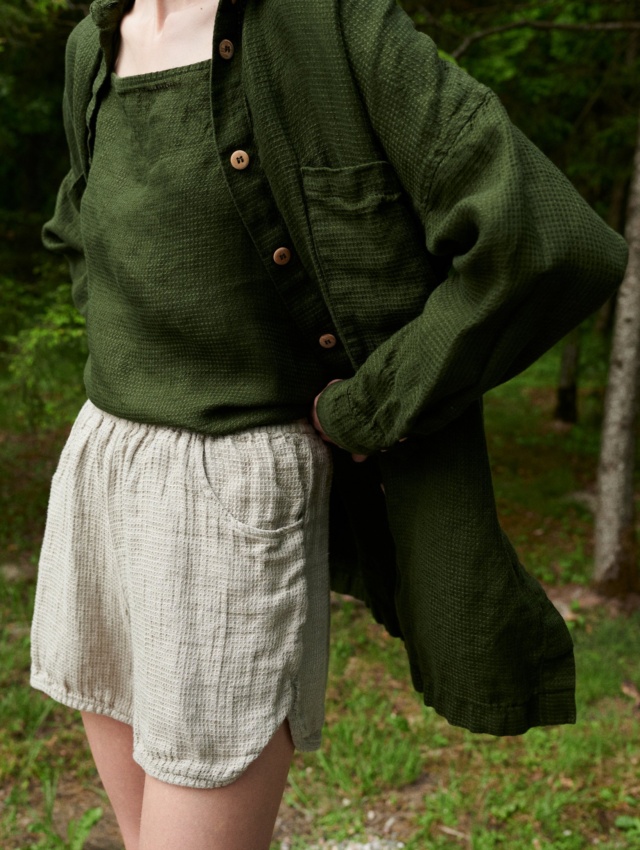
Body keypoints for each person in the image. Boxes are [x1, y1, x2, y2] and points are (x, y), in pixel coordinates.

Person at [30, 0, 628, 848]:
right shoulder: (94, 42)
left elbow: (545, 240)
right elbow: (78, 228)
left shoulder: (327, 23)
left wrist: (370, 403)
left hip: (228, 502)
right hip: (104, 472)